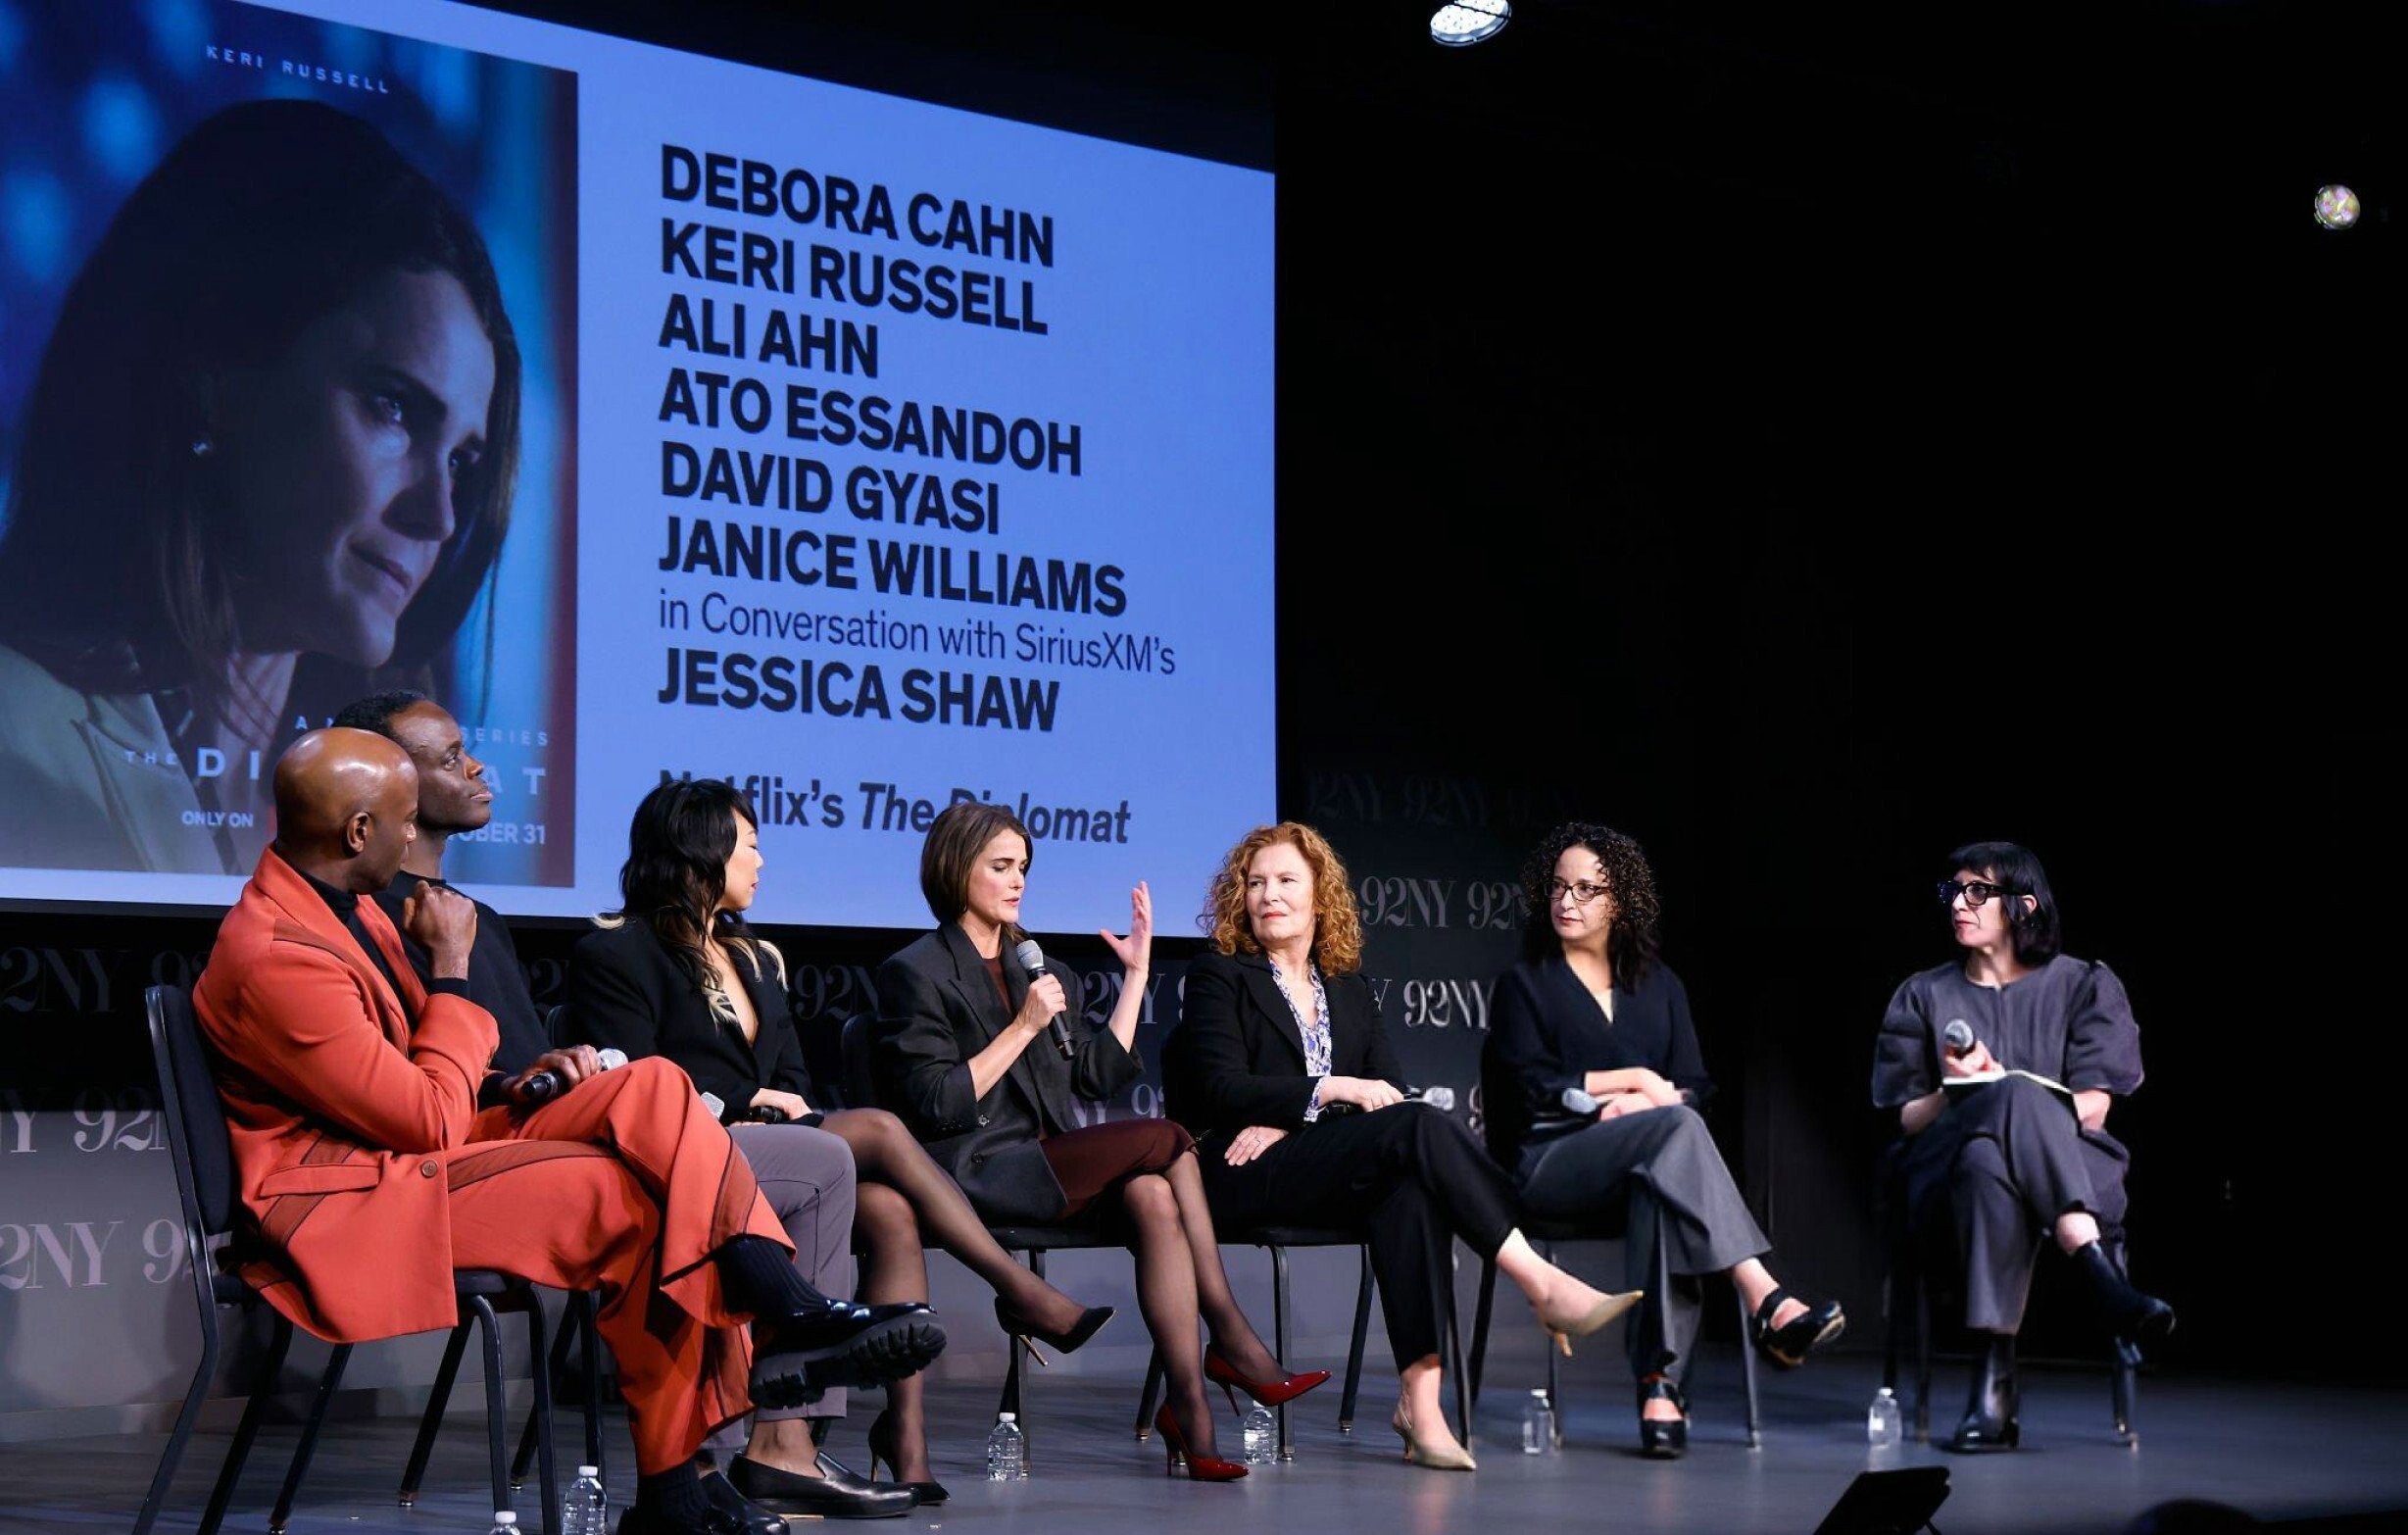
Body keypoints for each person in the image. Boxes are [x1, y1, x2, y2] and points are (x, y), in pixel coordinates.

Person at [190, 728, 943, 1535]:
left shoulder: (351, 912)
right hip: (345, 1196)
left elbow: (410, 1075)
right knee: (632, 1200)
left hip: (416, 1145)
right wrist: (451, 972)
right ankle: (683, 1477)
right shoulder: (279, 955)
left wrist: (512, 1082)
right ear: (358, 832)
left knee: (652, 1084)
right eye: (404, 822)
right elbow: (423, 1118)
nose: (414, 838)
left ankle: (779, 1320)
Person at [0, 98, 522, 874]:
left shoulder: (372, 832)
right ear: (219, 377)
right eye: (393, 406)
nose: (439, 516)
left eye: (460, 462)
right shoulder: (15, 736)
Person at [569, 778, 1114, 1512]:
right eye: (751, 844)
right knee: (877, 1131)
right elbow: (633, 1077)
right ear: (703, 850)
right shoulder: (617, 953)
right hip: (676, 1156)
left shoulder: (755, 958)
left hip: (765, 1152)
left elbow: (791, 1075)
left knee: (887, 1207)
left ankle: (802, 1445)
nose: (761, 860)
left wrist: (772, 1110)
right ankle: (1014, 1289)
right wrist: (741, 1106)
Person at [1165, 821, 1642, 1473]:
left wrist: (1299, 1116)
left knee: (1410, 1187)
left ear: (1320, 896)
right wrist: (1329, 1089)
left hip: (1313, 1163)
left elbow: (1385, 1091)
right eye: (1255, 883)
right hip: (1237, 1171)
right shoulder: (1220, 974)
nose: (1268, 894)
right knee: (1417, 1128)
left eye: (1286, 880)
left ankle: (1420, 1403)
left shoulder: (1349, 988)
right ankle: (1538, 1279)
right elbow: (1219, 1088)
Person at [873, 801, 1317, 1482]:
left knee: (1151, 1195)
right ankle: (1230, 1335)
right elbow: (935, 1105)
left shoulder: (1039, 966)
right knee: (1168, 1138)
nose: (1018, 881)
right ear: (957, 868)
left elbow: (1090, 1075)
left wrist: (1136, 976)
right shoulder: (917, 971)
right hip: (972, 1172)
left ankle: (1190, 1411)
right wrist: (1022, 1027)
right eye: (1001, 866)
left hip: (1047, 1167)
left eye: (1023, 867)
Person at [1482, 821, 1843, 1458]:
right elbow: (1524, 1087)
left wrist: (1647, 1109)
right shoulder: (1525, 983)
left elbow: (1695, 1087)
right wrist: (1634, 1085)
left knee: (1662, 1179)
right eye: (1558, 887)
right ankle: (1762, 1294)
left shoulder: (1660, 984)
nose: (1566, 901)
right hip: (1548, 1164)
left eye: (1587, 889)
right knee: (1671, 1132)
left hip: (1641, 1169)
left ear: (1620, 900)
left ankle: (1660, 1386)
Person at [1872, 840, 2174, 1453]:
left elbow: (2095, 1106)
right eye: (1953, 891)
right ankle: (2092, 1266)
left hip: (2067, 1160)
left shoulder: (2085, 985)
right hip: (1938, 1167)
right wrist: (1956, 1091)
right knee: (1995, 1113)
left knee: (1991, 1157)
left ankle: (1993, 1392)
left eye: (1977, 892)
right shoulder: (1923, 994)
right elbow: (1906, 1116)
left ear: (2024, 905)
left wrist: (2013, 1098)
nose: (1958, 904)